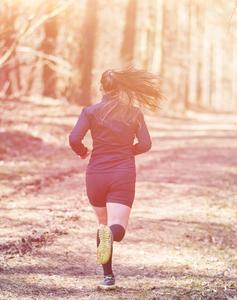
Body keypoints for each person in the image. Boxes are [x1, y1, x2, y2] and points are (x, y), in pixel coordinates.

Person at [69, 67, 165, 290]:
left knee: (102, 225)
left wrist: (83, 152)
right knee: (116, 230)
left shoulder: (90, 112)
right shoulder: (134, 113)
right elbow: (145, 144)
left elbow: (74, 138)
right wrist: (127, 152)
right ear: (122, 88)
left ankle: (108, 277)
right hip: (122, 173)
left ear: (101, 87)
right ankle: (109, 237)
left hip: (96, 174)